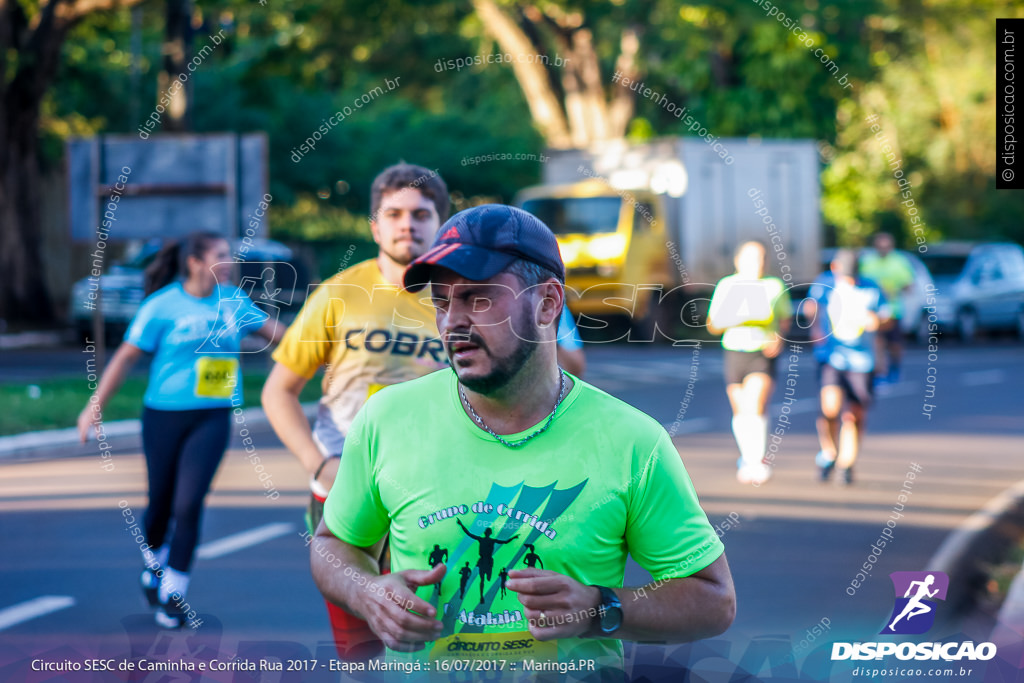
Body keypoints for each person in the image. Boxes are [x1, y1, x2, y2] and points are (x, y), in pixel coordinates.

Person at [310, 204, 735, 672]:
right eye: (441, 301)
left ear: (548, 303)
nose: (452, 322)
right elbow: (335, 543)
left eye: (478, 298)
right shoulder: (386, 418)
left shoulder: (633, 440)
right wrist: (367, 591)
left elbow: (712, 600)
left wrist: (600, 609)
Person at [261, 163, 450, 659]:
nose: (407, 223)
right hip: (346, 489)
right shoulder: (338, 294)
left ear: (440, 222)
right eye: (394, 213)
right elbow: (278, 391)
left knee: (428, 636)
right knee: (361, 647)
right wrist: (320, 465)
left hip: (437, 489)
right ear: (375, 225)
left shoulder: (459, 298)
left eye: (421, 213)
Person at [77, 231, 284, 629]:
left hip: (213, 415)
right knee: (161, 502)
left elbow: (283, 339)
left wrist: (330, 360)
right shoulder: (163, 305)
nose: (231, 260)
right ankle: (152, 563)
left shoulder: (233, 301)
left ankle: (174, 594)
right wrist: (94, 407)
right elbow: (125, 357)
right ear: (195, 261)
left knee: (189, 504)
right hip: (164, 414)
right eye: (222, 254)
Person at [707, 242, 792, 485]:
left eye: (762, 258)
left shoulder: (774, 285)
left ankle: (757, 461)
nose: (758, 263)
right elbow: (713, 324)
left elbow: (784, 320)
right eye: (752, 258)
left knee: (756, 404)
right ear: (738, 261)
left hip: (762, 353)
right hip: (734, 351)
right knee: (741, 410)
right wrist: (736, 316)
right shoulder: (727, 285)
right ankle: (747, 456)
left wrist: (779, 338)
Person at [806, 249, 889, 485]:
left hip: (862, 361)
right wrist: (816, 331)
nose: (850, 280)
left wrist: (878, 321)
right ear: (835, 268)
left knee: (854, 414)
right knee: (829, 409)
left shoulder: (871, 288)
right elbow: (811, 310)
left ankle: (846, 464)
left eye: (853, 275)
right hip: (832, 357)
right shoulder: (825, 285)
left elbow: (886, 317)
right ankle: (829, 452)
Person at [860, 233, 916, 384]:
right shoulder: (867, 261)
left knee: (894, 344)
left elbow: (909, 285)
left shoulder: (899, 262)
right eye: (880, 247)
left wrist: (894, 289)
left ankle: (895, 367)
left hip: (893, 310)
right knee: (877, 341)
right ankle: (879, 372)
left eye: (886, 247)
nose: (883, 250)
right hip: (872, 311)